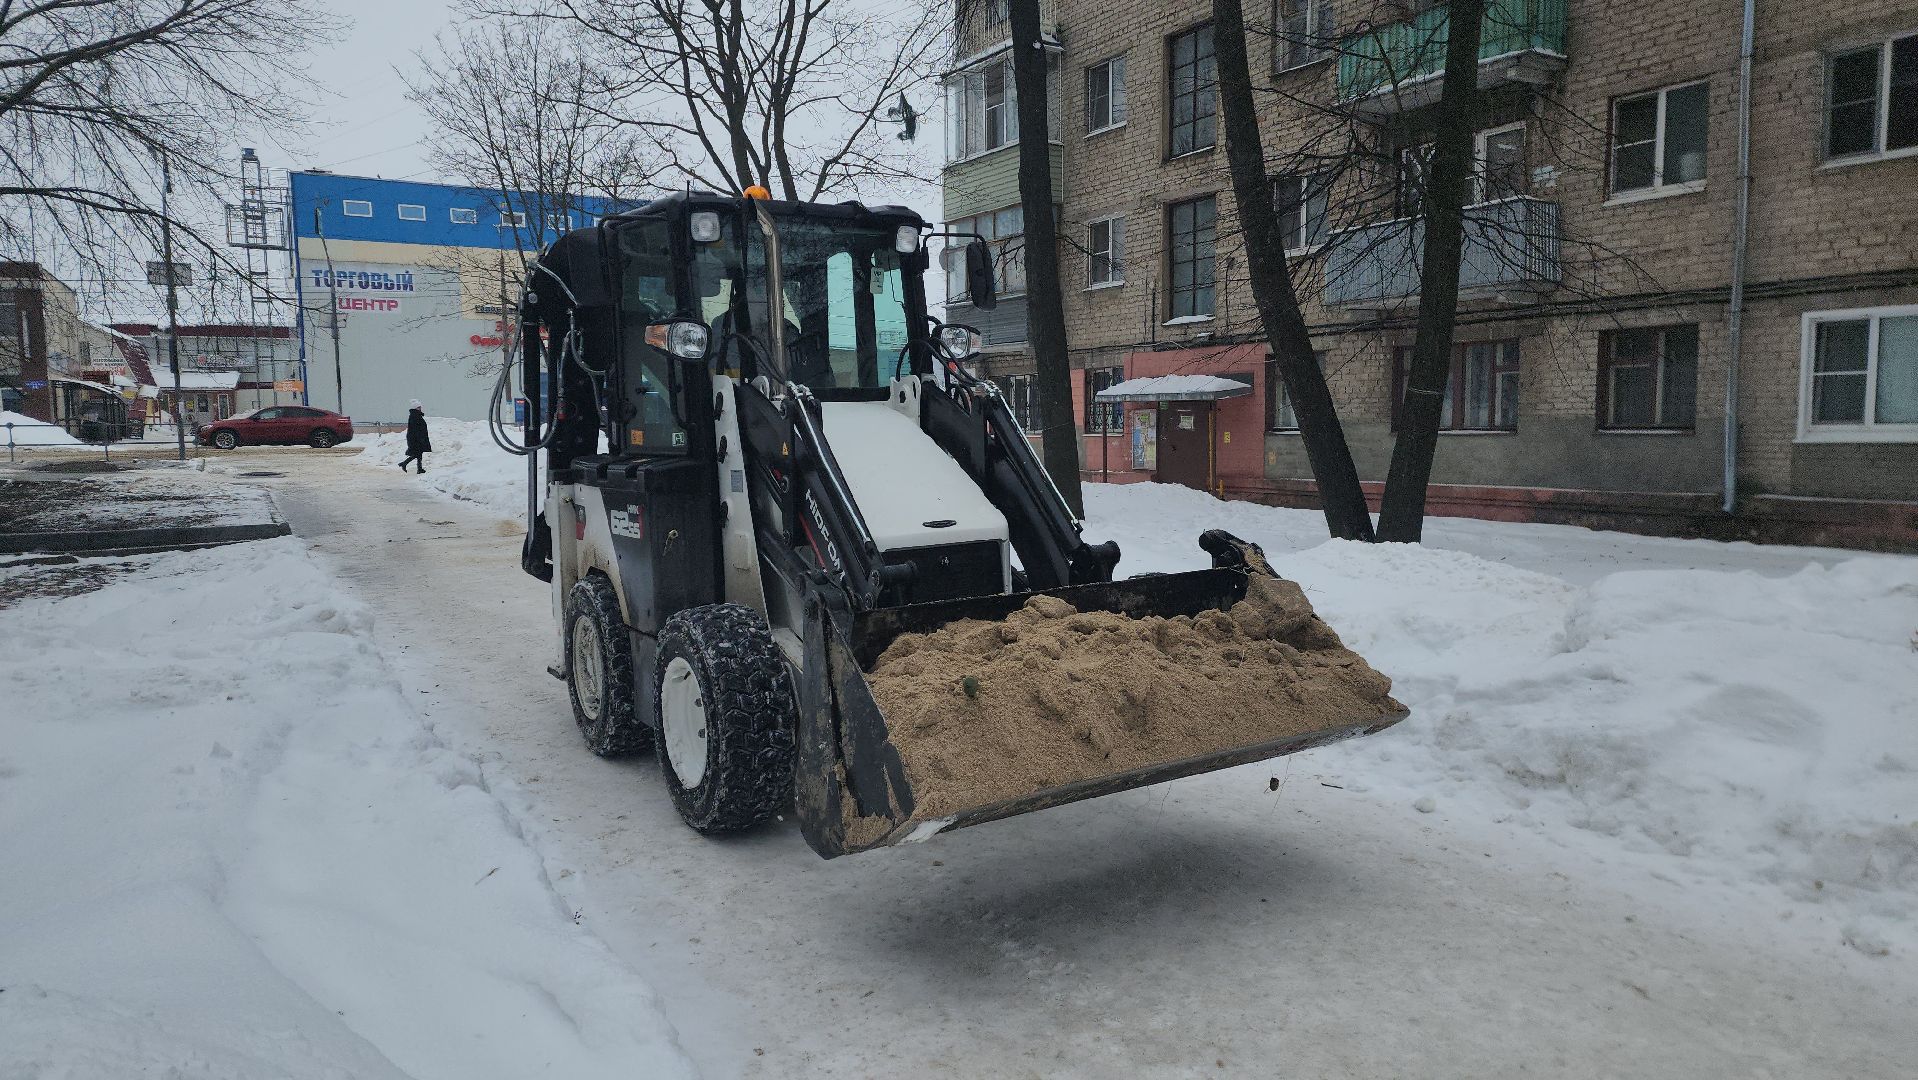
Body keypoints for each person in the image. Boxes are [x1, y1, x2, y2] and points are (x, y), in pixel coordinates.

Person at [397, 400, 431, 473]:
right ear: (415, 408)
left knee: (419, 453)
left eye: (420, 407)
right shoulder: (415, 416)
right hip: (415, 439)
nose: (420, 408)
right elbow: (416, 429)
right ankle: (404, 463)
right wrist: (420, 438)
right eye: (418, 407)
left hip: (418, 438)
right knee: (417, 453)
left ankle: (419, 469)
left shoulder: (416, 415)